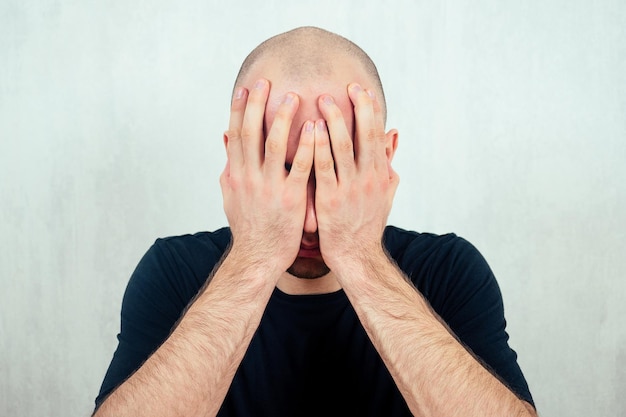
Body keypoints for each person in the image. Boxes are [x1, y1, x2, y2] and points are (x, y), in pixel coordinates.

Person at [93, 26, 537, 416]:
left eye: (336, 172)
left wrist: (359, 256)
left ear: (385, 158)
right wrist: (255, 257)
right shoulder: (173, 272)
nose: (309, 220)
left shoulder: (449, 271)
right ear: (237, 158)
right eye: (283, 171)